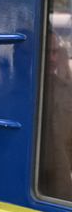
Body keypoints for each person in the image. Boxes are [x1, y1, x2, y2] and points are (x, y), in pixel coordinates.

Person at [38, 31, 72, 200]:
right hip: (35, 178)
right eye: (47, 52)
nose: (52, 58)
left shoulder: (67, 91)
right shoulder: (23, 93)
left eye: (55, 52)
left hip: (61, 182)